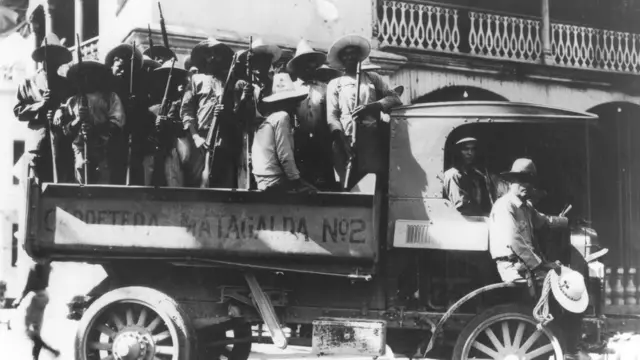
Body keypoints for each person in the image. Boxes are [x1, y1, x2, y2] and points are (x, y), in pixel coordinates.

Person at [488, 158, 588, 360]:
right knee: (563, 289)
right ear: (510, 183)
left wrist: (567, 221)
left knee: (567, 280)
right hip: (513, 266)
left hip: (526, 265)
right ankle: (567, 348)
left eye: (529, 181)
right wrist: (541, 266)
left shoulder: (525, 207)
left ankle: (569, 344)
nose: (526, 185)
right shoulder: (505, 206)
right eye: (520, 181)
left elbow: (543, 221)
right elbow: (515, 242)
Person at [326, 34, 401, 189]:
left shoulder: (373, 78)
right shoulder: (335, 83)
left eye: (354, 53)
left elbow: (395, 98)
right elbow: (332, 116)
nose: (350, 57)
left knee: (370, 184)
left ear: (359, 56)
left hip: (371, 139)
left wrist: (373, 106)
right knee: (347, 184)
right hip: (346, 140)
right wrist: (341, 140)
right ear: (342, 59)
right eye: (346, 54)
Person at [181, 38, 249, 188]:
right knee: (197, 183)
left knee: (224, 183)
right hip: (201, 140)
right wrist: (196, 136)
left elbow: (240, 114)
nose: (212, 58)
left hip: (225, 139)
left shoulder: (233, 82)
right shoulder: (196, 80)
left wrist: (229, 113)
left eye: (216, 54)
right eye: (208, 54)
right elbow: (186, 111)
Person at [14, 33, 73, 184]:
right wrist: (41, 105)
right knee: (37, 190)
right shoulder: (28, 83)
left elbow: (73, 108)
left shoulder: (67, 85)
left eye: (56, 58)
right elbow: (19, 112)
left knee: (61, 187)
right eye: (48, 57)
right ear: (41, 59)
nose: (52, 62)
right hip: (38, 145)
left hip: (62, 145)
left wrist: (62, 110)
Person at [56, 60, 126, 184]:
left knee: (102, 184)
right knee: (82, 177)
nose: (87, 79)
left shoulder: (109, 97)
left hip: (103, 148)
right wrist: (78, 121)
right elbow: (66, 130)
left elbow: (117, 122)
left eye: (91, 75)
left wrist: (97, 129)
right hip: (80, 147)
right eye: (83, 76)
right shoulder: (73, 101)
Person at [252, 73, 317, 193]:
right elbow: (285, 154)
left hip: (262, 177)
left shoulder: (269, 118)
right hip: (274, 178)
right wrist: (296, 181)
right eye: (293, 101)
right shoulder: (282, 117)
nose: (297, 105)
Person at [287, 39, 336, 190]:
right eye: (304, 63)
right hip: (298, 142)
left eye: (311, 62)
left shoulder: (325, 88)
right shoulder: (291, 88)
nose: (309, 67)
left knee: (323, 182)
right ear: (297, 66)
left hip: (322, 142)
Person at [105, 42, 153, 185]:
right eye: (117, 61)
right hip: (110, 137)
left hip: (133, 137)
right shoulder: (106, 87)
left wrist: (135, 104)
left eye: (125, 64)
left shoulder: (137, 87)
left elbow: (144, 114)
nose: (121, 67)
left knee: (134, 168)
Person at [147, 60, 189, 186]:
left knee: (173, 179)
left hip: (173, 148)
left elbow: (185, 126)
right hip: (155, 150)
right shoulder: (153, 107)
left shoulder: (182, 103)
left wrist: (169, 122)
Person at [12, 260, 60, 360]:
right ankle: (36, 357)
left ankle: (51, 351)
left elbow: (28, 286)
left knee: (28, 330)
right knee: (36, 330)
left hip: (36, 296)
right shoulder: (47, 266)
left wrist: (19, 300)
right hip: (44, 296)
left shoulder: (33, 267)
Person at [443, 137, 503, 216]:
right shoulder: (453, 175)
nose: (470, 153)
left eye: (473, 149)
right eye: (466, 149)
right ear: (458, 152)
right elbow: (462, 206)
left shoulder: (475, 174)